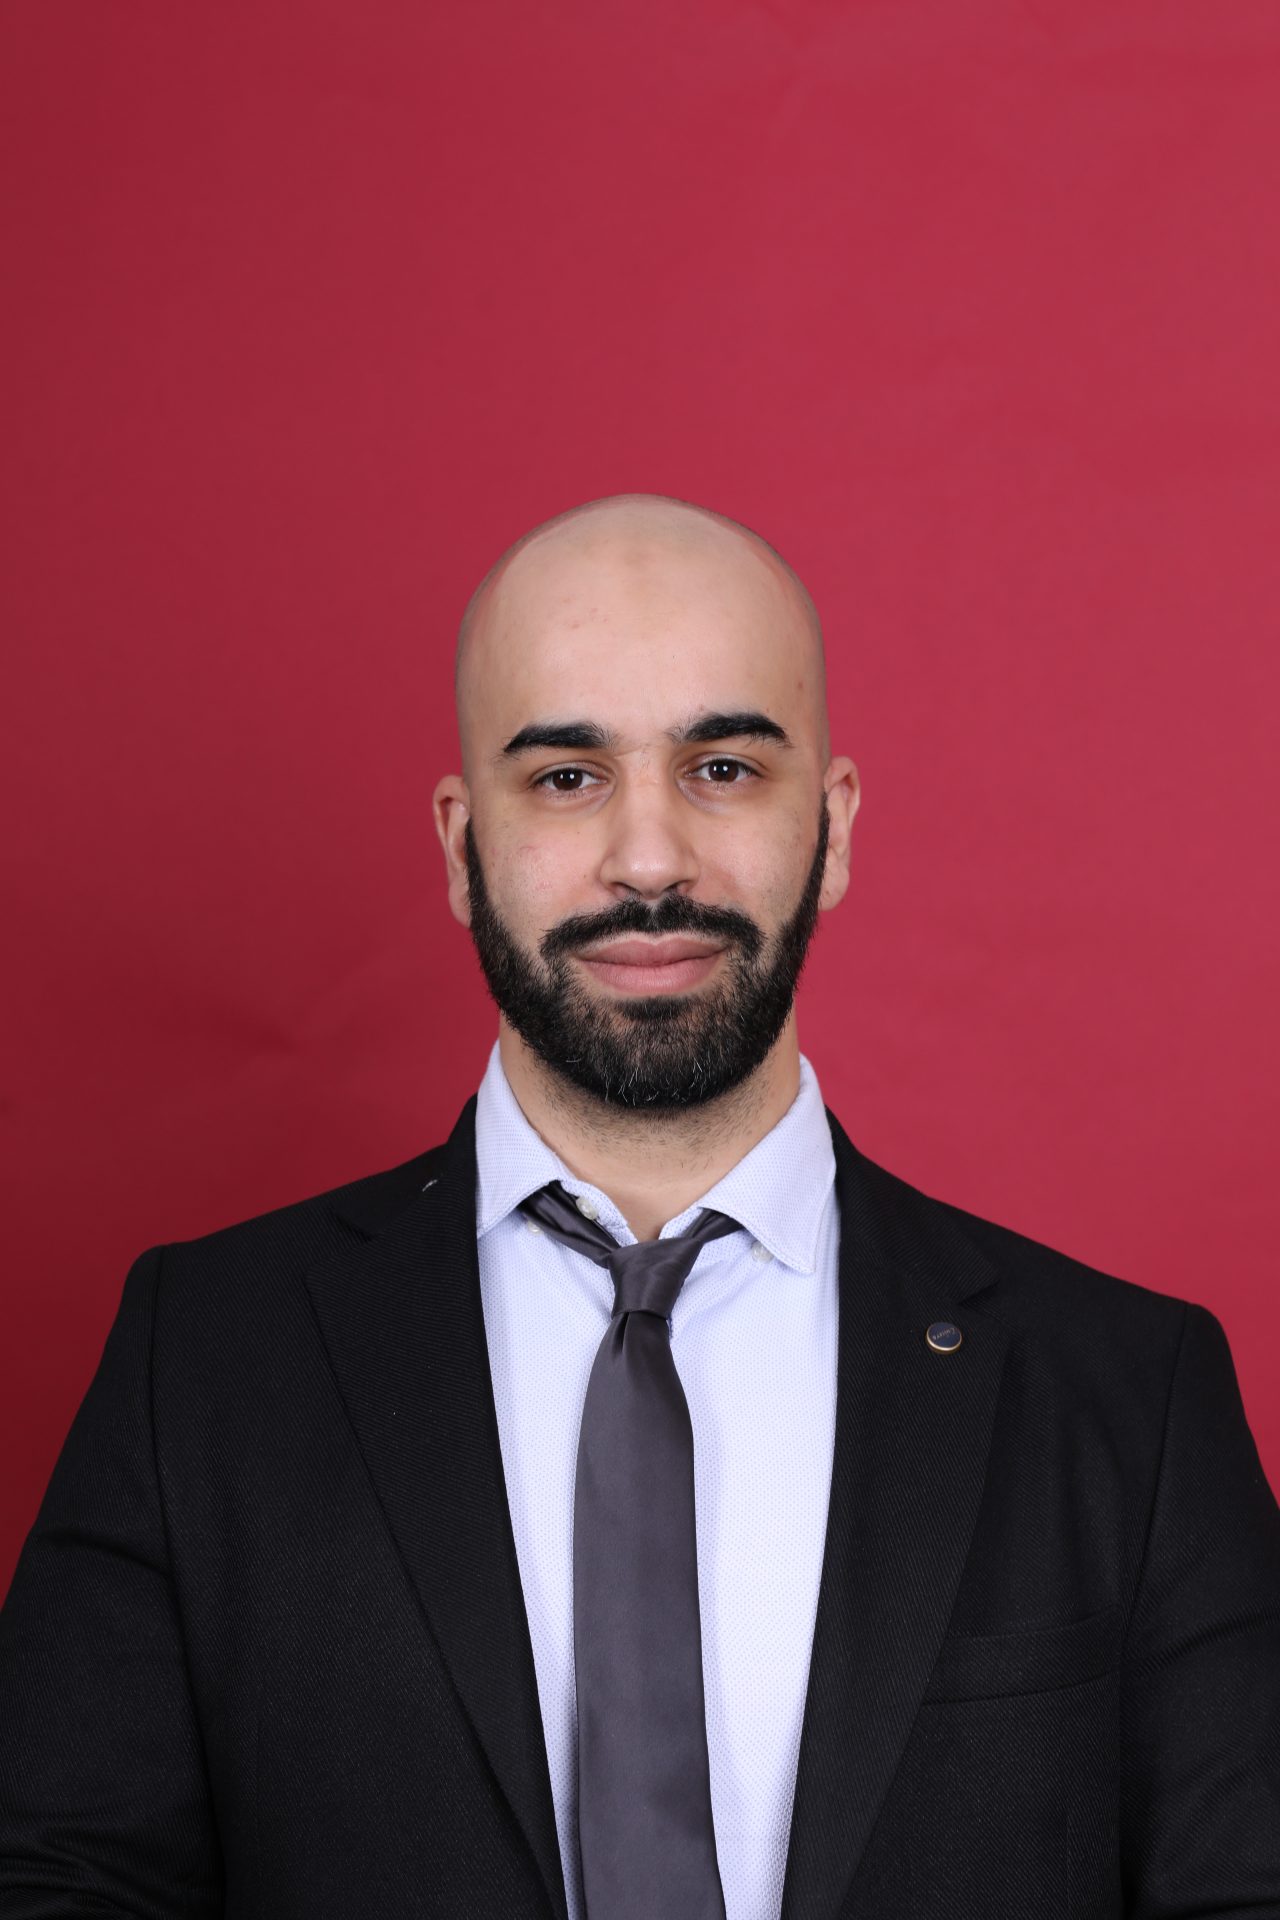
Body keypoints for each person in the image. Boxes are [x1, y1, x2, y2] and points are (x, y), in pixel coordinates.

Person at [1, 493, 1277, 1920]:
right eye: (566, 778)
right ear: (460, 846)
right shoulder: (201, 1363)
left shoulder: (1130, 1397)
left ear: (834, 826)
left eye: (723, 767)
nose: (652, 858)